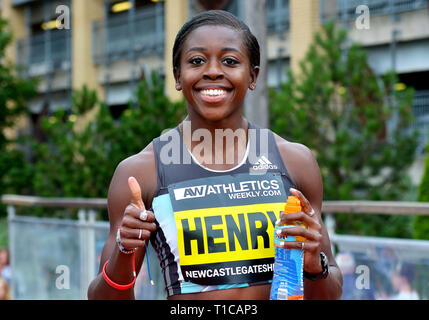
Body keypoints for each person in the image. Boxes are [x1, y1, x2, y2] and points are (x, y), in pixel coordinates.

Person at [87, 10, 343, 300]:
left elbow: (330, 291)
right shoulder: (140, 172)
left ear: (253, 75)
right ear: (177, 76)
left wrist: (314, 267)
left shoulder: (296, 161)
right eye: (196, 61)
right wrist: (124, 252)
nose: (212, 71)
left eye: (230, 61)